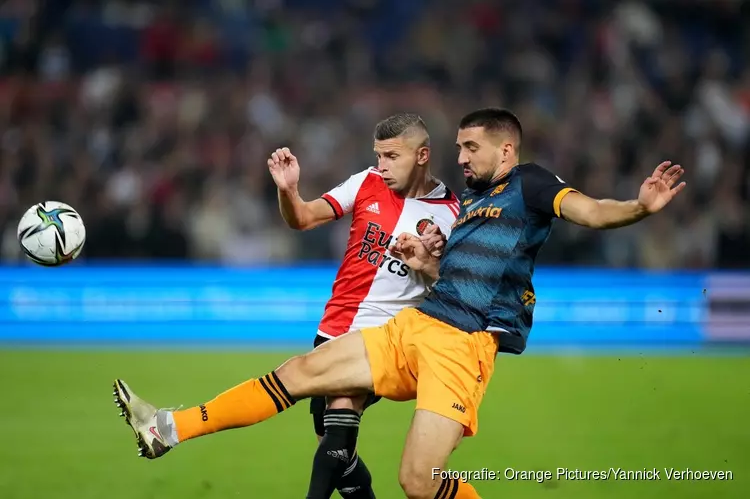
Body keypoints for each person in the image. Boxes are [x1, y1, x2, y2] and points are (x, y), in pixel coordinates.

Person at [113, 108, 686, 499]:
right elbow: (449, 275)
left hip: (461, 346)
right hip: (415, 326)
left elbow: (589, 210)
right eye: (459, 147)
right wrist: (424, 261)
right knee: (297, 373)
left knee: (416, 481)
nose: (462, 156)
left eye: (472, 146)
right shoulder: (468, 203)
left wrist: (637, 207)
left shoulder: (530, 184)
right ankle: (168, 428)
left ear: (506, 148)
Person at [268, 113, 458, 499]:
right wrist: (289, 191)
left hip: (383, 338)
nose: (382, 165)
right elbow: (302, 218)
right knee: (335, 447)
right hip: (333, 327)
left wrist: (428, 261)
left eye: (392, 156)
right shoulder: (366, 182)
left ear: (422, 156)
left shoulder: (451, 214)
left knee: (338, 428)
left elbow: (452, 283)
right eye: (379, 155)